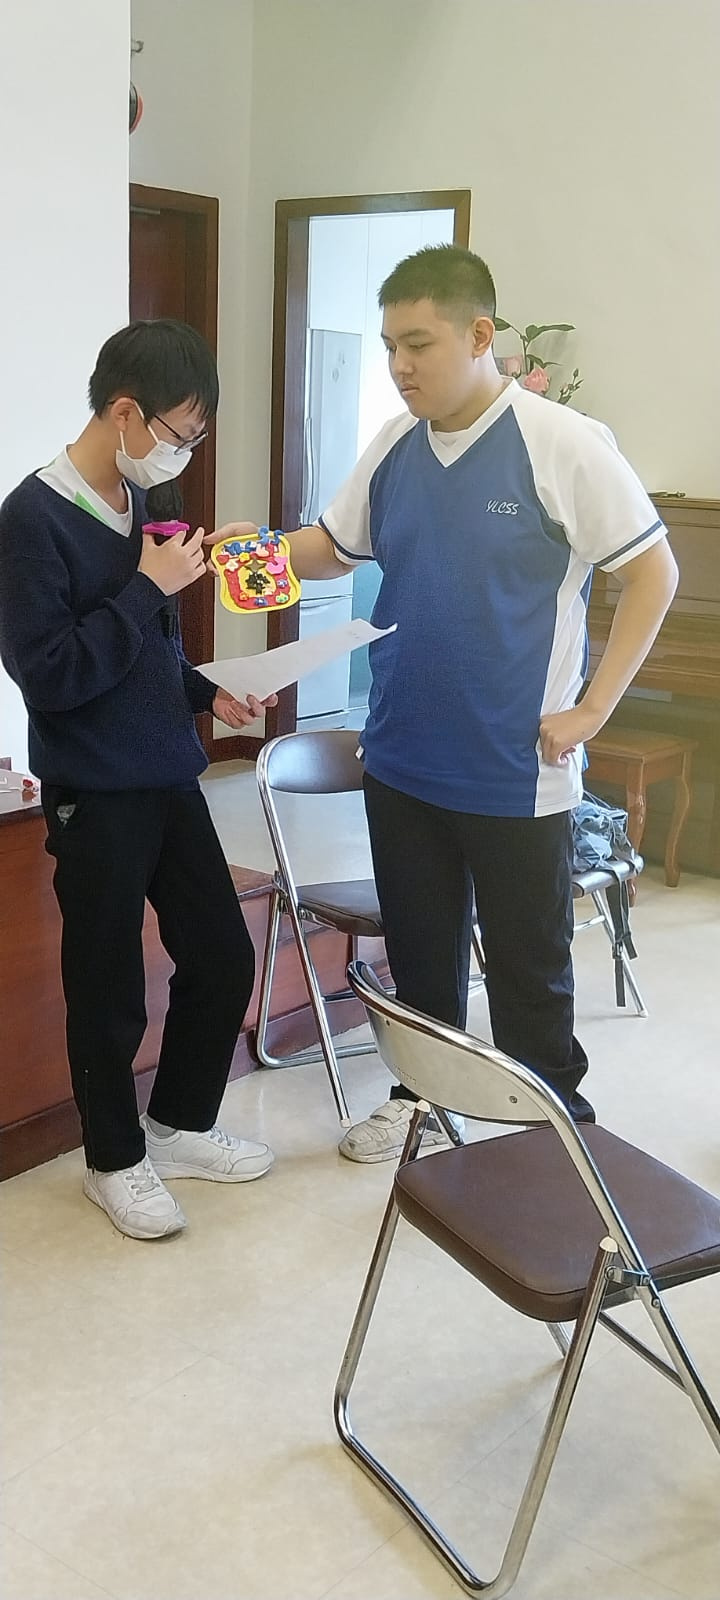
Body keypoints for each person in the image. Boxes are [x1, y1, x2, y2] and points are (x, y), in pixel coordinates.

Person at [210, 244, 678, 1164]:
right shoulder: (395, 444)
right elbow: (331, 549)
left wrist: (592, 712)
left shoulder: (561, 442)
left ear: (479, 335)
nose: (399, 365)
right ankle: (421, 1100)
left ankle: (550, 1133)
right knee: (420, 960)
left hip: (516, 769)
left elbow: (653, 573)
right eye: (390, 345)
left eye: (418, 344)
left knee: (529, 970)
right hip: (401, 760)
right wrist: (250, 551)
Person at [0, 319, 276, 1237]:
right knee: (108, 983)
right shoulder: (30, 519)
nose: (183, 454)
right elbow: (53, 675)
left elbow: (149, 656)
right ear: (125, 412)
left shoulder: (142, 499)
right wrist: (150, 586)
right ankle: (113, 1160)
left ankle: (180, 1123)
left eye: (194, 438)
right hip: (93, 788)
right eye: (179, 434)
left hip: (167, 772)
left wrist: (207, 691)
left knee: (222, 953)